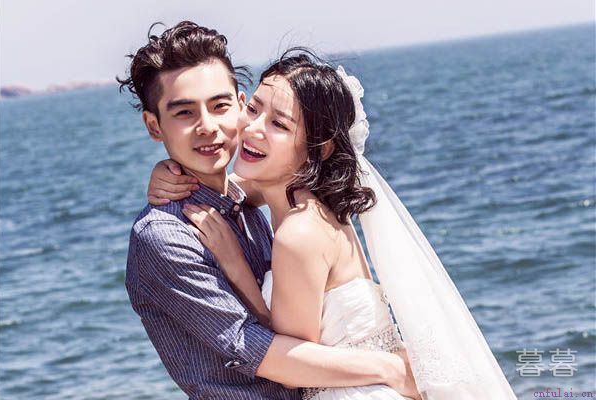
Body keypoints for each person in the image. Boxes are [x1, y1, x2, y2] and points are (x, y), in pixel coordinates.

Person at [149, 49, 519, 399]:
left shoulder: (298, 232)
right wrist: (170, 172)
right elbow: (234, 188)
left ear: (318, 147)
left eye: (279, 124)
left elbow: (291, 360)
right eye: (254, 109)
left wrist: (235, 266)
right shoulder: (303, 199)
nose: (253, 129)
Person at [121, 21, 420, 400]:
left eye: (220, 106)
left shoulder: (256, 198)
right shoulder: (165, 236)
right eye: (184, 113)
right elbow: (250, 345)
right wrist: (389, 367)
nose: (207, 127)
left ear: (240, 106)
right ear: (154, 126)